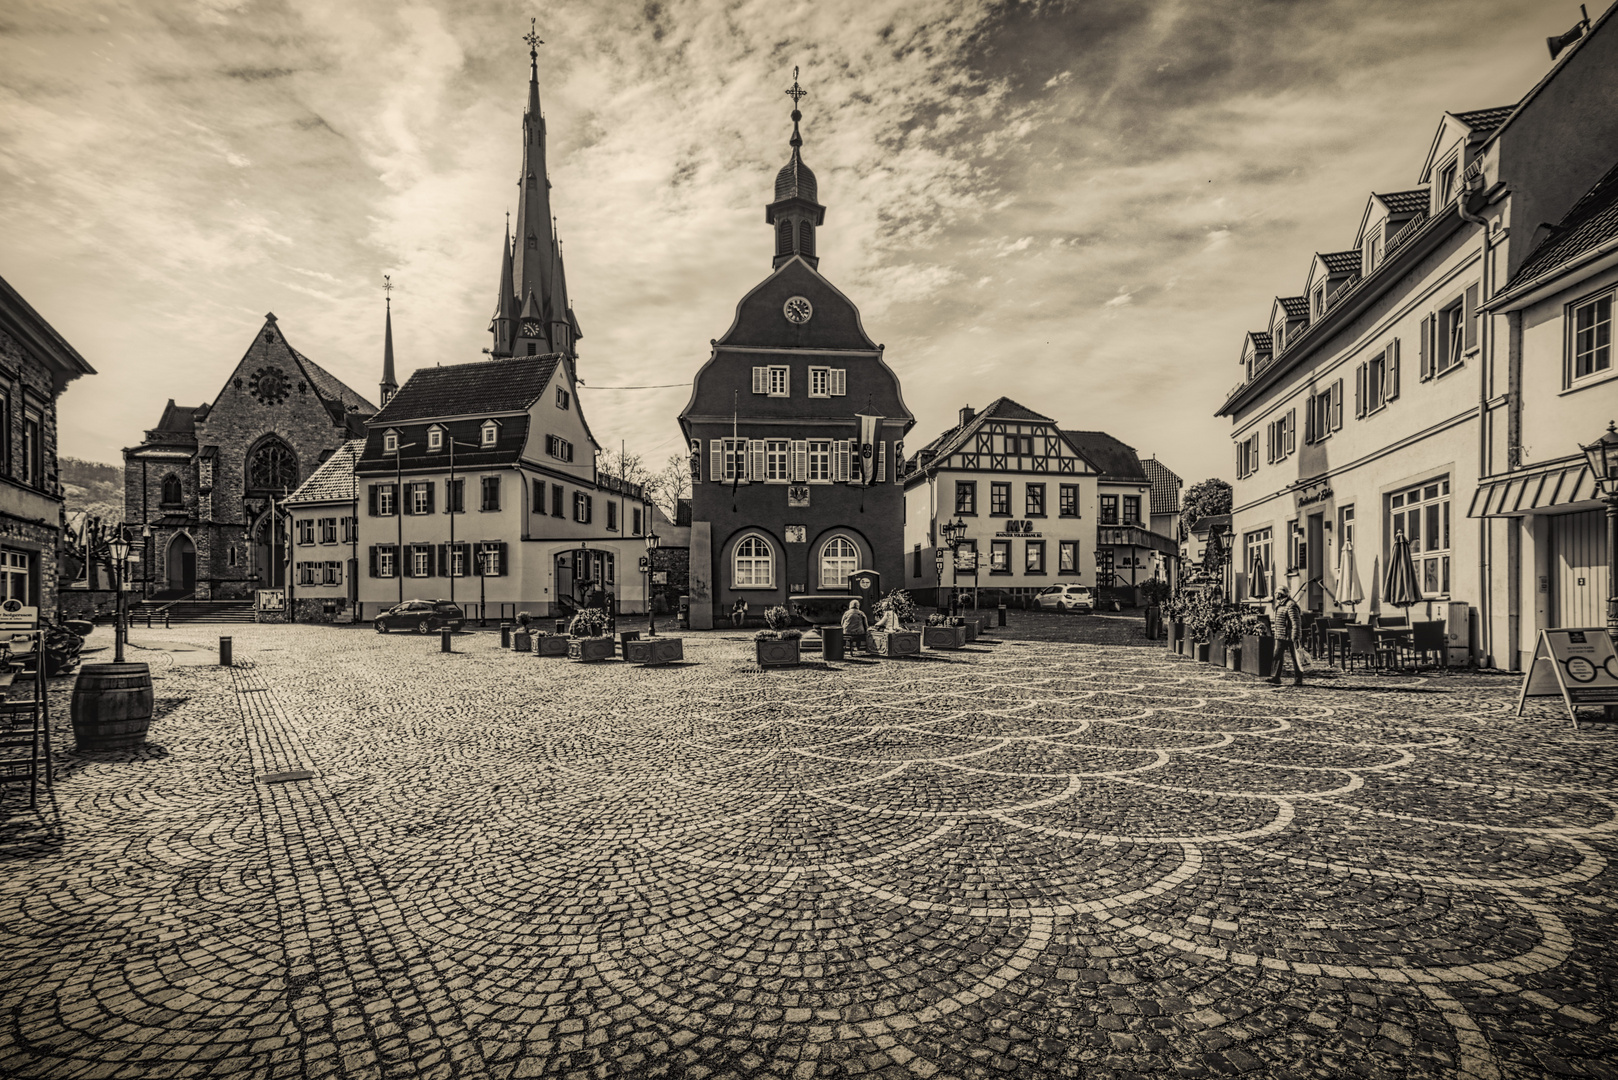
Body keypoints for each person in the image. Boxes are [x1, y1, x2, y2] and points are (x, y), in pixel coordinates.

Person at [1267, 586, 1305, 687]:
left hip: (1290, 636)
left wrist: (1295, 636)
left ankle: (1298, 679)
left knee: (1295, 658)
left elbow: (1296, 623)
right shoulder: (1280, 605)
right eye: (1275, 593)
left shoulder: (1291, 605)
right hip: (1280, 635)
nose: (1275, 595)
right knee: (1277, 656)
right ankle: (1276, 677)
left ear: (1281, 594)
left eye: (1277, 593)